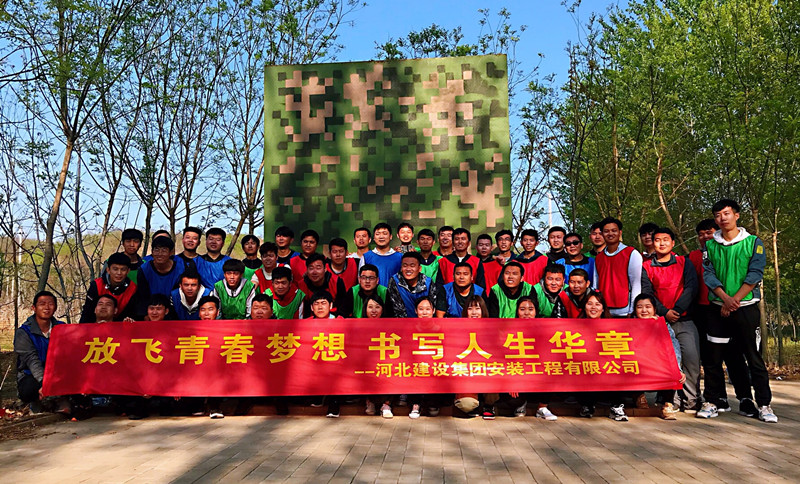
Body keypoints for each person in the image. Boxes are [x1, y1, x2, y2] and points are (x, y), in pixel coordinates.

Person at [700, 199, 775, 423]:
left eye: (726, 213)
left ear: (736, 215)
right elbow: (708, 274)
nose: (722, 218)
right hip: (717, 308)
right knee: (713, 358)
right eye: (718, 215)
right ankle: (712, 401)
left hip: (746, 308)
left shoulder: (753, 242)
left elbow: (755, 273)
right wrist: (725, 299)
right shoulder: (710, 246)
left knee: (753, 357)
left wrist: (734, 301)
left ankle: (764, 404)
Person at [641, 227, 701, 413]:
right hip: (660, 322)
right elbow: (647, 293)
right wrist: (665, 312)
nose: (662, 243)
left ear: (673, 243)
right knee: (667, 362)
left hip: (684, 319)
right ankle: (670, 400)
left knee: (691, 359)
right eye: (657, 240)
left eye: (665, 239)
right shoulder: (647, 266)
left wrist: (677, 310)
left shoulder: (684, 262)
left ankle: (691, 400)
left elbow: (691, 287)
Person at [577, 292, 629, 421]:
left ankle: (616, 407)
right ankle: (587, 405)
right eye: (589, 304)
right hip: (586, 367)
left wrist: (652, 321)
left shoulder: (614, 327)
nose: (593, 307)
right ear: (584, 307)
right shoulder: (574, 326)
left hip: (607, 367)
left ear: (603, 308)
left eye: (598, 304)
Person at [633, 294, 685, 420]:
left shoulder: (663, 325)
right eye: (639, 307)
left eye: (648, 307)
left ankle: (667, 403)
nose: (644, 310)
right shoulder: (629, 325)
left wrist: (678, 369)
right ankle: (639, 396)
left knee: (673, 369)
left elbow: (673, 348)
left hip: (657, 365)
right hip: (638, 365)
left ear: (654, 309)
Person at [15, 291, 68, 414]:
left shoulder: (63, 328)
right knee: (28, 389)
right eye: (42, 304)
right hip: (32, 374)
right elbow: (32, 360)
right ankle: (37, 402)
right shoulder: (23, 332)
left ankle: (60, 401)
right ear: (34, 308)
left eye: (50, 304)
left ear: (55, 307)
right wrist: (44, 382)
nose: (46, 307)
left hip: (57, 373)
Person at [517, 296, 558, 421]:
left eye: (531, 309)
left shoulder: (544, 330)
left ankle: (542, 407)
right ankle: (519, 404)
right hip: (517, 373)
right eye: (522, 309)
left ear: (536, 311)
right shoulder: (508, 328)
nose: (527, 313)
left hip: (537, 372)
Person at [593, 217, 643, 317]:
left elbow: (636, 284)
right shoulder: (598, 257)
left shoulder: (631, 253)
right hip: (605, 311)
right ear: (602, 234)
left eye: (614, 230)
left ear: (620, 233)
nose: (610, 234)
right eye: (606, 231)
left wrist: (632, 310)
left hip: (625, 311)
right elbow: (596, 285)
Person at [80, 252, 148, 323]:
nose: (119, 273)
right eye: (115, 269)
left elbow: (133, 314)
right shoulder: (97, 285)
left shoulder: (133, 288)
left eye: (123, 269)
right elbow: (87, 312)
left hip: (120, 326)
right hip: (96, 325)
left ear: (128, 271)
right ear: (108, 270)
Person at [453, 295, 489, 418]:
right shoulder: (456, 330)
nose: (474, 312)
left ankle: (488, 405)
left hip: (487, 373)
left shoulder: (493, 329)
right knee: (466, 404)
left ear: (483, 310)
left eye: (477, 308)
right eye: (470, 309)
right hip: (466, 375)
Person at [387, 252, 440, 318]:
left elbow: (432, 307)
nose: (408, 269)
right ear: (401, 268)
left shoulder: (427, 282)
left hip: (424, 321)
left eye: (412, 266)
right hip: (402, 322)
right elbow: (397, 310)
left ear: (419, 268)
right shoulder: (395, 281)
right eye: (405, 266)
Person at [196, 296, 224, 418]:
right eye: (203, 310)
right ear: (199, 313)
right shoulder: (191, 329)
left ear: (217, 312)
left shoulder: (226, 329)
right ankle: (197, 405)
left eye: (210, 309)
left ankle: (215, 407)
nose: (206, 313)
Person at [360, 223, 403, 287]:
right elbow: (361, 280)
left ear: (390, 236)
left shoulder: (400, 257)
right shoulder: (366, 257)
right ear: (374, 238)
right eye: (378, 234)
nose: (381, 237)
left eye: (385, 233)